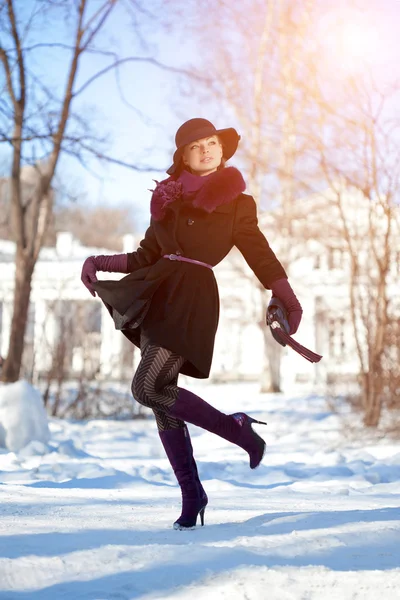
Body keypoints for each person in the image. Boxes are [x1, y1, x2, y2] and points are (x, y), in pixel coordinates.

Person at [81, 118, 303, 530]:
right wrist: (99, 262)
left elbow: (260, 253)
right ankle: (192, 494)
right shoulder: (168, 200)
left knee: (146, 388)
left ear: (222, 150)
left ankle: (234, 428)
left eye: (212, 143)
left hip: (193, 297)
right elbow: (145, 254)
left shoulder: (238, 202)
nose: (206, 150)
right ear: (182, 155)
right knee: (161, 396)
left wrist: (285, 295)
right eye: (196, 145)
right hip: (159, 296)